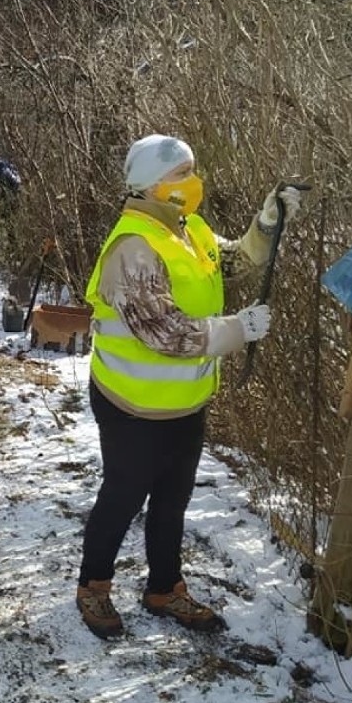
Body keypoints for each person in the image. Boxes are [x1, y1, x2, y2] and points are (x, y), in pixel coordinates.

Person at [76, 134, 305, 639]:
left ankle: (164, 588)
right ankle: (93, 586)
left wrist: (267, 224)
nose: (192, 181)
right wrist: (236, 329)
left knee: (173, 499)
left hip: (184, 399)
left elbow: (235, 263)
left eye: (191, 170)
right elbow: (162, 332)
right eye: (181, 173)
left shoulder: (188, 229)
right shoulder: (133, 246)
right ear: (151, 185)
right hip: (131, 403)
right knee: (123, 495)